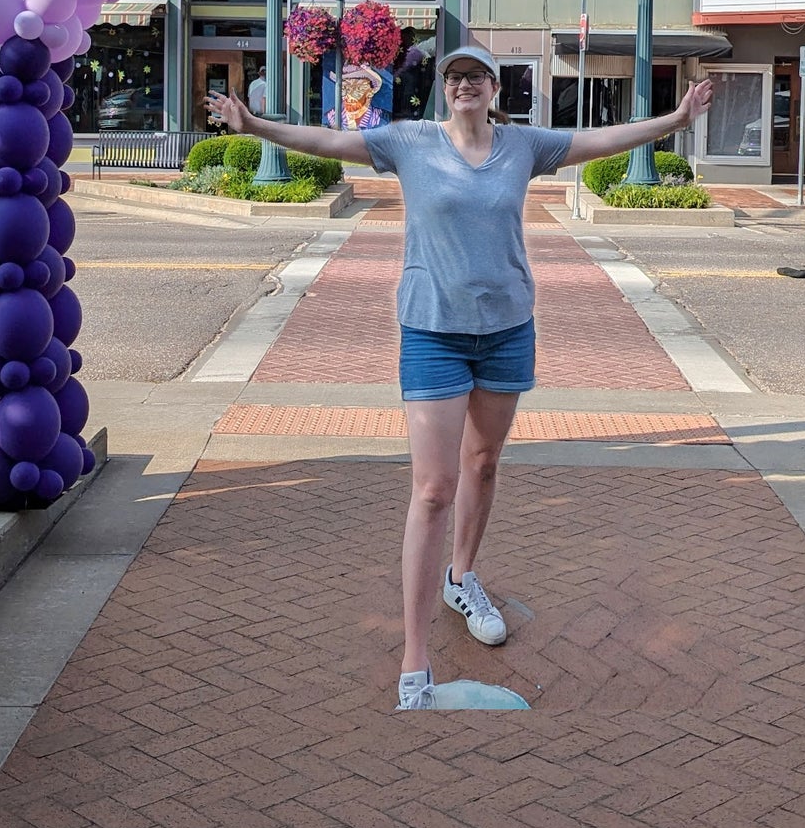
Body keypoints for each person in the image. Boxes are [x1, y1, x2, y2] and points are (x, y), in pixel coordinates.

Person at [204, 44, 713, 710]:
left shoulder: (521, 144)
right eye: (453, 77)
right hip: (432, 331)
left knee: (483, 463)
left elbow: (598, 138)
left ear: (492, 86)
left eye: (474, 76)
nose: (463, 86)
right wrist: (258, 125)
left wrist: (673, 121)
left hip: (505, 329)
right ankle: (415, 661)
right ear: (442, 89)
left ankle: (462, 576)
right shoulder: (409, 142)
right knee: (434, 488)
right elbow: (327, 138)